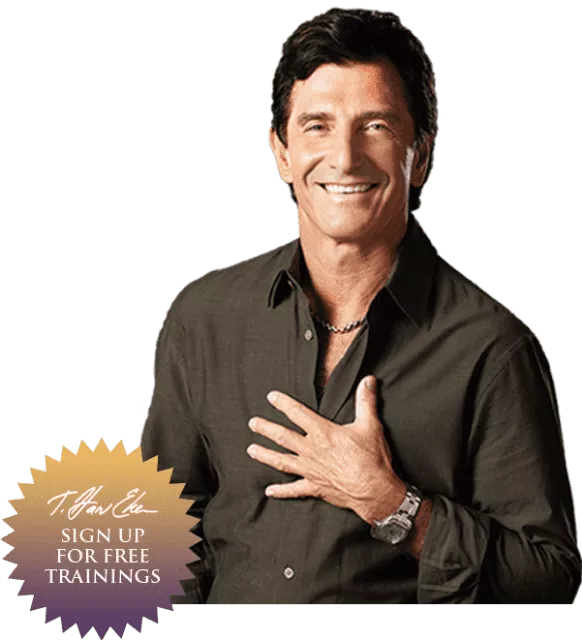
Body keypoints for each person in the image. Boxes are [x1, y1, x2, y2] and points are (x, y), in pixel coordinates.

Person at [140, 7, 581, 605]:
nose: (345, 158)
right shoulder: (203, 319)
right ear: (280, 152)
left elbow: (547, 578)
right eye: (316, 126)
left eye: (374, 126)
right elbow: (164, 532)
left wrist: (393, 505)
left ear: (420, 155)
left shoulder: (491, 348)